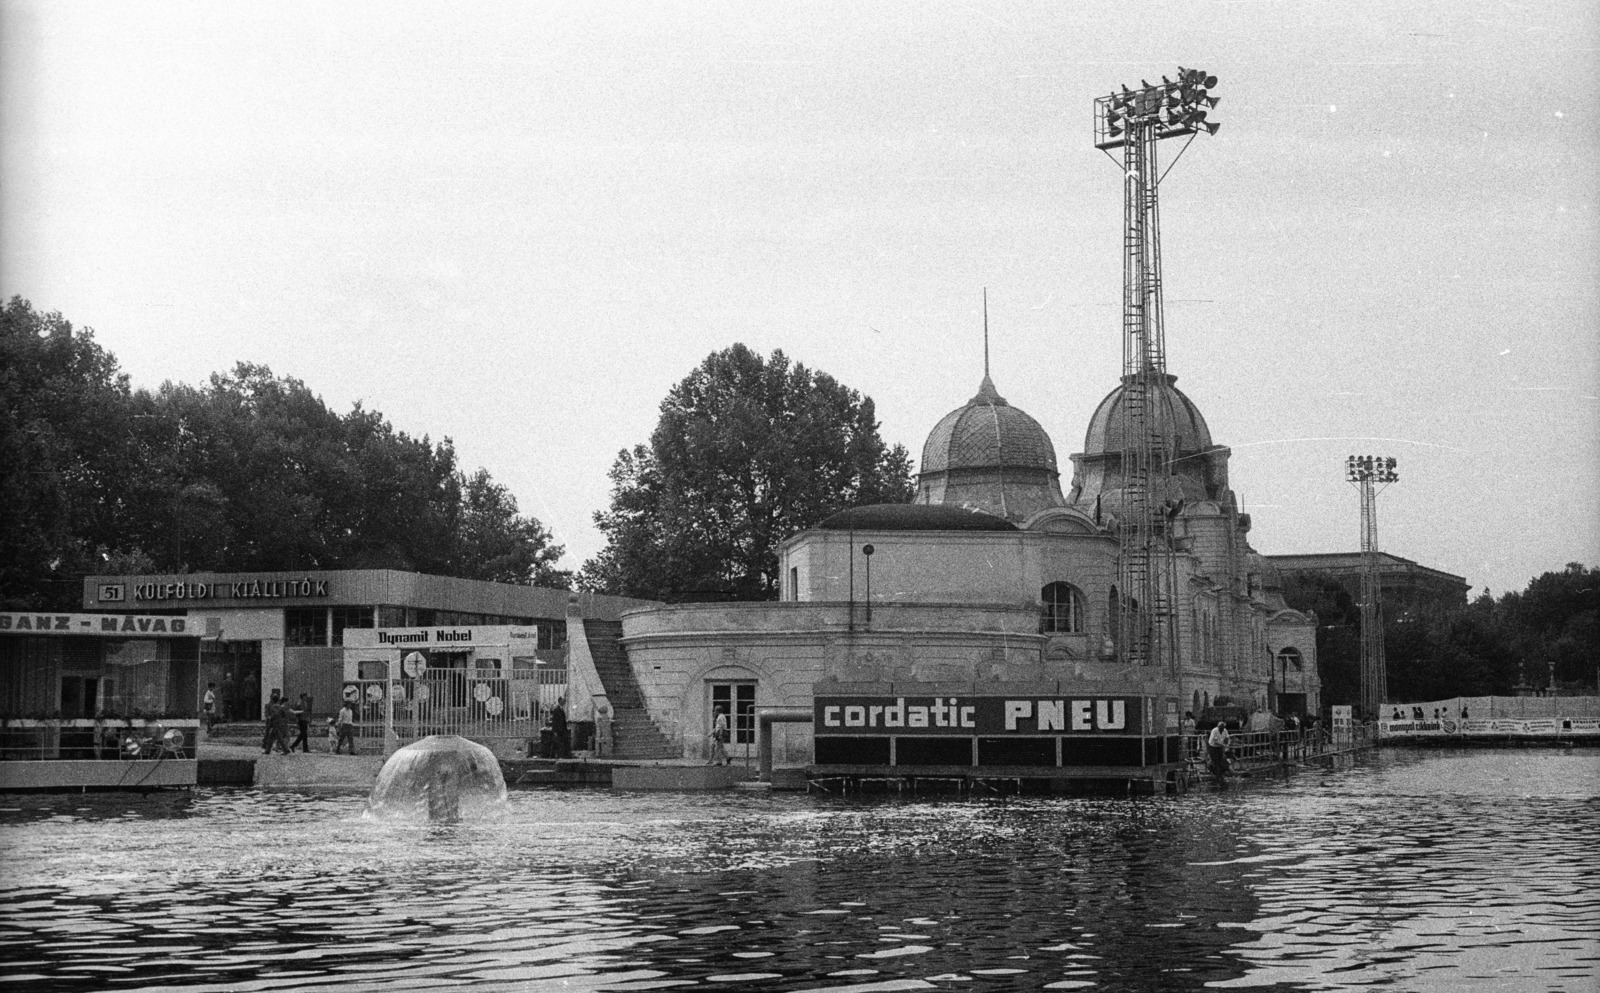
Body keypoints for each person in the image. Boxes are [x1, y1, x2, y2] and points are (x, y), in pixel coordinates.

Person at [261, 690, 293, 755]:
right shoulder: (280, 707)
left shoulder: (273, 707)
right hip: (280, 723)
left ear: (272, 700)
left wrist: (270, 720)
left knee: (279, 738)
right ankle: (268, 750)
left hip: (275, 724)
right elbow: (284, 715)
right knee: (271, 737)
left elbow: (273, 716)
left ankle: (286, 749)